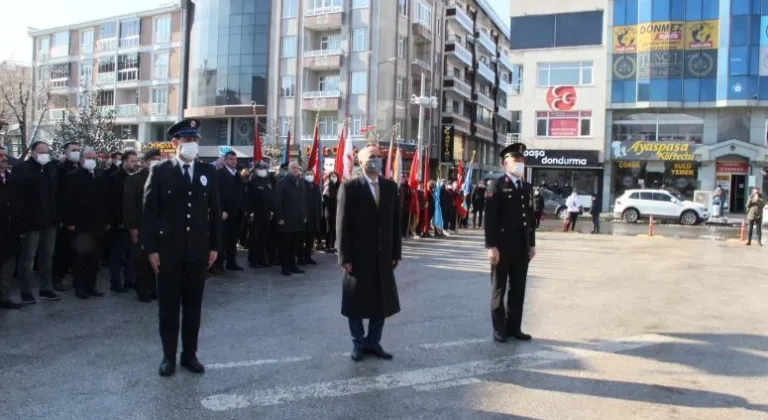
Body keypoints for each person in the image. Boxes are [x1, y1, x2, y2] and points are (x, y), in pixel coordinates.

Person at [142, 119, 222, 377]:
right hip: (169, 251)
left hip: (198, 250)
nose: (192, 145)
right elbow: (149, 213)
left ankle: (190, 355)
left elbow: (215, 211)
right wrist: (151, 249)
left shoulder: (207, 171)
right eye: (187, 140)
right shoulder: (161, 171)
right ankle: (168, 356)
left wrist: (215, 246)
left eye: (195, 140)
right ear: (175, 143)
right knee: (168, 307)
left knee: (193, 306)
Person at [336, 144, 402, 362]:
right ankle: (358, 343)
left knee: (380, 302)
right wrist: (344, 257)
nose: (376, 159)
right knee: (356, 303)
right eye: (371, 156)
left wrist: (396, 252)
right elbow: (342, 225)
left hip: (382, 256)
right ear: (361, 162)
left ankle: (373, 342)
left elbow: (395, 222)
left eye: (378, 156)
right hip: (358, 257)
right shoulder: (350, 187)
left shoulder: (390, 187)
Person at [484, 142, 536, 343]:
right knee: (499, 288)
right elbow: (490, 219)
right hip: (502, 247)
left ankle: (515, 327)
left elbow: (530, 220)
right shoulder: (496, 186)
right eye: (516, 160)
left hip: (521, 247)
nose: (520, 164)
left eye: (522, 160)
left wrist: (531, 244)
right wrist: (491, 246)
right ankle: (499, 328)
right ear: (506, 164)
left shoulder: (527, 187)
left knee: (518, 288)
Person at [13, 141, 61, 304]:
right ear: (33, 152)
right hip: (31, 223)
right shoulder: (22, 169)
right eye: (41, 152)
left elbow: (56, 194)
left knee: (47, 257)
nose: (44, 155)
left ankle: (45, 288)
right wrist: (20, 222)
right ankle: (26, 291)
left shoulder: (51, 169)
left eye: (47, 152)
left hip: (50, 221)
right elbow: (17, 197)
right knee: (28, 258)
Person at [64, 147, 110, 299]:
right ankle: (80, 288)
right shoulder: (73, 176)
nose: (92, 160)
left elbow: (104, 200)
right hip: (80, 224)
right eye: (89, 157)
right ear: (82, 159)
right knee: (79, 258)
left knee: (94, 258)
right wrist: (70, 221)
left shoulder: (99, 175)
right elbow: (68, 201)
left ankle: (91, 286)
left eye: (94, 158)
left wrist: (106, 221)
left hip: (97, 224)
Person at [124, 148, 162, 302]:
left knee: (157, 260)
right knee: (141, 261)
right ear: (145, 162)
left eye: (159, 159)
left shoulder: (162, 178)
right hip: (140, 226)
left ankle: (154, 289)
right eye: (153, 159)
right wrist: (132, 228)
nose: (156, 162)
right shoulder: (135, 179)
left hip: (158, 227)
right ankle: (142, 291)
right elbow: (129, 206)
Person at [107, 149, 138, 293]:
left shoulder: (135, 177)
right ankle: (115, 282)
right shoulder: (115, 178)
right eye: (132, 161)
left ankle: (129, 280)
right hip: (119, 222)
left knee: (131, 254)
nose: (135, 164)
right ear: (125, 161)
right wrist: (117, 220)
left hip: (132, 222)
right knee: (117, 254)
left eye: (135, 161)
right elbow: (113, 202)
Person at [273, 161, 306, 276]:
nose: (296, 170)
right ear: (289, 169)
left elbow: (302, 202)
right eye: (293, 168)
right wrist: (280, 217)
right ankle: (284, 267)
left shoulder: (300, 182)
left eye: (297, 168)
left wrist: (303, 216)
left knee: (294, 246)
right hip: (286, 220)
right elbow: (277, 201)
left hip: (298, 220)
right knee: (285, 246)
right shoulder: (282, 182)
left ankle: (293, 265)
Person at [215, 150, 246, 272]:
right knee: (222, 240)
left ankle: (231, 262)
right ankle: (219, 265)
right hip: (224, 213)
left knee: (233, 240)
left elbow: (241, 194)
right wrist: (221, 210)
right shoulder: (220, 174)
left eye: (235, 159)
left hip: (236, 213)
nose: (233, 161)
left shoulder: (238, 175)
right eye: (231, 159)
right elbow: (217, 194)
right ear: (225, 160)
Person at [0, 146, 22, 309]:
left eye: (4, 155)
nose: (3, 158)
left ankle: (4, 296)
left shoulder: (12, 179)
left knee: (8, 265)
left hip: (10, 230)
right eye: (0, 155)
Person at [246, 162, 274, 268]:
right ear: (256, 170)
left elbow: (271, 197)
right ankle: (253, 260)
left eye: (264, 168)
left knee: (264, 238)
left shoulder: (268, 181)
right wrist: (250, 213)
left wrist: (271, 211)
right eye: (261, 168)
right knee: (255, 238)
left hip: (266, 213)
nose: (263, 170)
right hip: (256, 214)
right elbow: (249, 199)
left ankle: (262, 259)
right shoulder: (252, 182)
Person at [300, 169, 322, 265]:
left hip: (314, 216)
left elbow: (319, 202)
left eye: (311, 174)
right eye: (307, 174)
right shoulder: (301, 185)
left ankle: (308, 256)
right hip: (304, 216)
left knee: (310, 238)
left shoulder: (316, 186)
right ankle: (300, 257)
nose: (310, 175)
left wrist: (319, 214)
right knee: (302, 238)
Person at [323, 172, 340, 253]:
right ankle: (327, 246)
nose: (334, 177)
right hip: (329, 211)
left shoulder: (339, 186)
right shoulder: (327, 186)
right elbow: (325, 200)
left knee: (334, 229)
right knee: (329, 229)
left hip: (337, 211)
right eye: (332, 176)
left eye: (335, 176)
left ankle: (332, 246)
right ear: (329, 177)